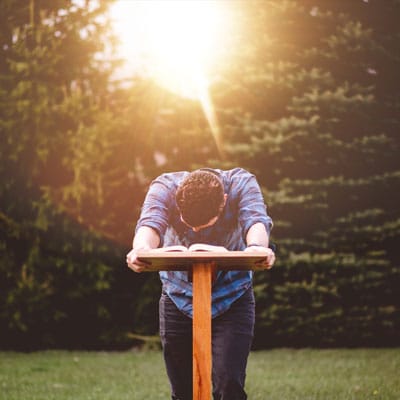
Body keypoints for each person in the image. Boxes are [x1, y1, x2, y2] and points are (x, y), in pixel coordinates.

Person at [126, 167, 275, 400]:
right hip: (178, 297)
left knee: (229, 387)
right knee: (182, 391)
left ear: (223, 201)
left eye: (203, 225)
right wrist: (141, 248)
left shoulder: (241, 184)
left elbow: (255, 219)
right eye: (189, 223)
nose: (195, 231)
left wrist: (257, 246)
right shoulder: (165, 186)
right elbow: (150, 222)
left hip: (232, 297)